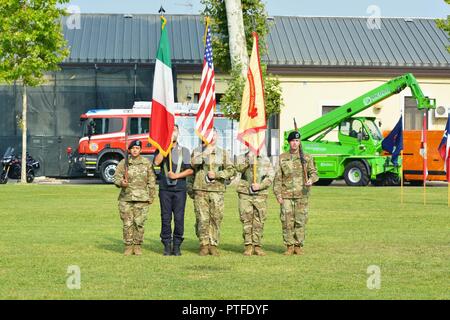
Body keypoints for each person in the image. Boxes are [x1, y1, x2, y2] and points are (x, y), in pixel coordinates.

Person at [191, 128, 235, 256]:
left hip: (217, 190)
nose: (212, 137)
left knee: (216, 217)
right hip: (201, 189)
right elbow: (193, 164)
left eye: (214, 134)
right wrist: (205, 153)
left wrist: (217, 174)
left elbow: (232, 170)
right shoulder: (198, 151)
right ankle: (204, 244)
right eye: (209, 135)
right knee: (202, 218)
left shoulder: (223, 153)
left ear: (217, 136)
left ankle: (213, 244)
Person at [273, 131, 318, 256]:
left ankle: (298, 245)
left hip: (302, 194)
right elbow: (278, 177)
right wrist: (278, 194)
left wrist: (311, 180)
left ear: (300, 142)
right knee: (287, 221)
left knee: (300, 221)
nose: (295, 143)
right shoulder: (282, 157)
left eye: (297, 141)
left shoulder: (306, 157)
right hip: (286, 194)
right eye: (293, 141)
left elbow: (314, 173)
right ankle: (289, 245)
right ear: (289, 142)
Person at [153, 125, 193, 256]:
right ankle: (166, 244)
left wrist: (177, 176)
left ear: (179, 133)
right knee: (165, 217)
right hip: (165, 189)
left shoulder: (185, 151)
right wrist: (165, 148)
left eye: (175, 130)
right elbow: (156, 162)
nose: (173, 133)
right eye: (170, 130)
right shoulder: (161, 149)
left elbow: (190, 170)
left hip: (179, 189)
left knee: (179, 218)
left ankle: (177, 245)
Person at [113, 140, 156, 256]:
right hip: (126, 198)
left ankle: (137, 245)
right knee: (127, 223)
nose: (135, 150)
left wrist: (152, 196)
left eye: (137, 148)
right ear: (129, 150)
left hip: (142, 199)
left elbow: (152, 180)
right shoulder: (124, 163)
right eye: (133, 148)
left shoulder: (146, 163)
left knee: (139, 223)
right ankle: (128, 245)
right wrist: (122, 183)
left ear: (141, 150)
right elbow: (115, 178)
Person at [235, 151, 275, 256]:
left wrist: (260, 186)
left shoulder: (265, 160)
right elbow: (238, 169)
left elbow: (270, 176)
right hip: (245, 193)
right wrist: (249, 160)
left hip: (260, 194)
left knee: (259, 220)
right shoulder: (242, 157)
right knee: (246, 219)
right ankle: (248, 246)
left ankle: (257, 246)